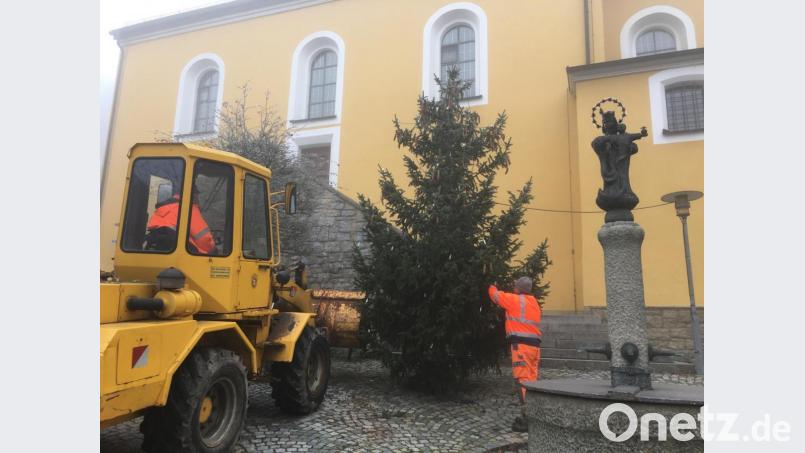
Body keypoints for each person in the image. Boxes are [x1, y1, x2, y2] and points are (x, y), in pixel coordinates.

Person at [488, 276, 542, 432]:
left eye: (515, 285)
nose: (513, 287)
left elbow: (496, 296)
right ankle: (535, 415)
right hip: (535, 348)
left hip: (522, 348)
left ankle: (527, 419)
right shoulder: (534, 303)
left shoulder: (515, 300)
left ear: (519, 288)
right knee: (532, 381)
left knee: (523, 382)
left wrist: (491, 285)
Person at [146, 192, 216, 254]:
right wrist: (213, 249)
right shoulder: (189, 209)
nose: (198, 200)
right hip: (181, 257)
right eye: (197, 195)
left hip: (157, 251)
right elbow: (204, 239)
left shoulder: (163, 209)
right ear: (193, 195)